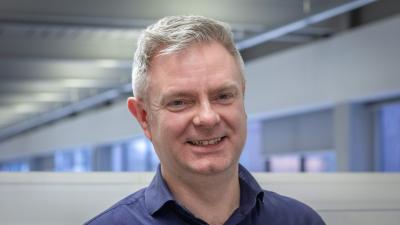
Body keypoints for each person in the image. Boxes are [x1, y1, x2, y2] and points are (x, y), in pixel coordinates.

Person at [85, 15, 326, 225]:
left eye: (223, 96)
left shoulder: (301, 221)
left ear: (242, 97)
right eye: (180, 102)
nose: (207, 118)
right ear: (144, 117)